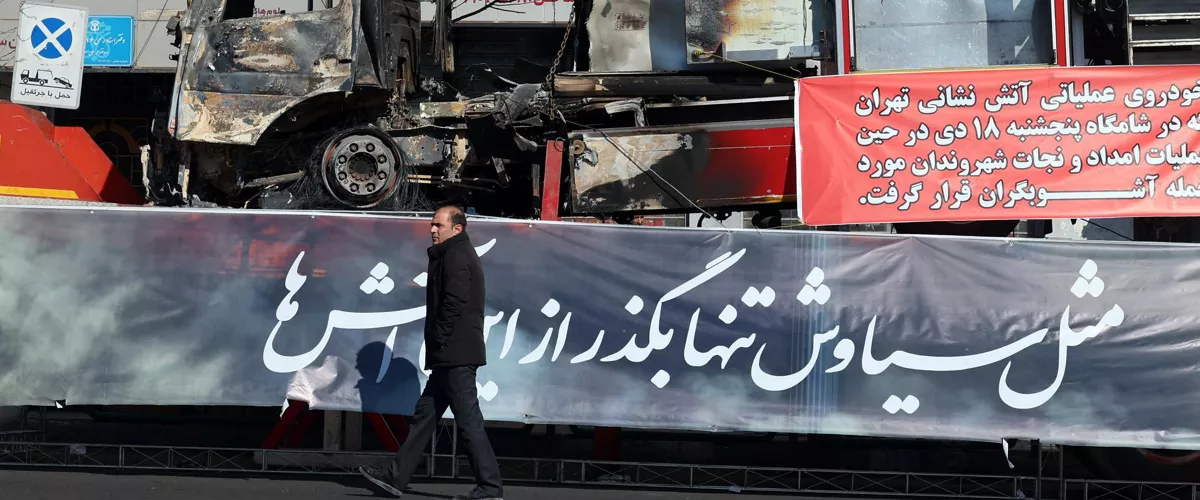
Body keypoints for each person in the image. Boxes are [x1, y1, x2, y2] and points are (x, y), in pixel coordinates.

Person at [360, 205, 503, 500]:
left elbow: (455, 303)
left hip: (455, 353)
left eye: (438, 225)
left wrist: (438, 337)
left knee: (468, 421)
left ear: (457, 229)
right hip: (449, 353)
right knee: (425, 417)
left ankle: (489, 487)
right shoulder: (451, 254)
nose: (432, 229)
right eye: (432, 224)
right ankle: (394, 478)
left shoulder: (456, 256)